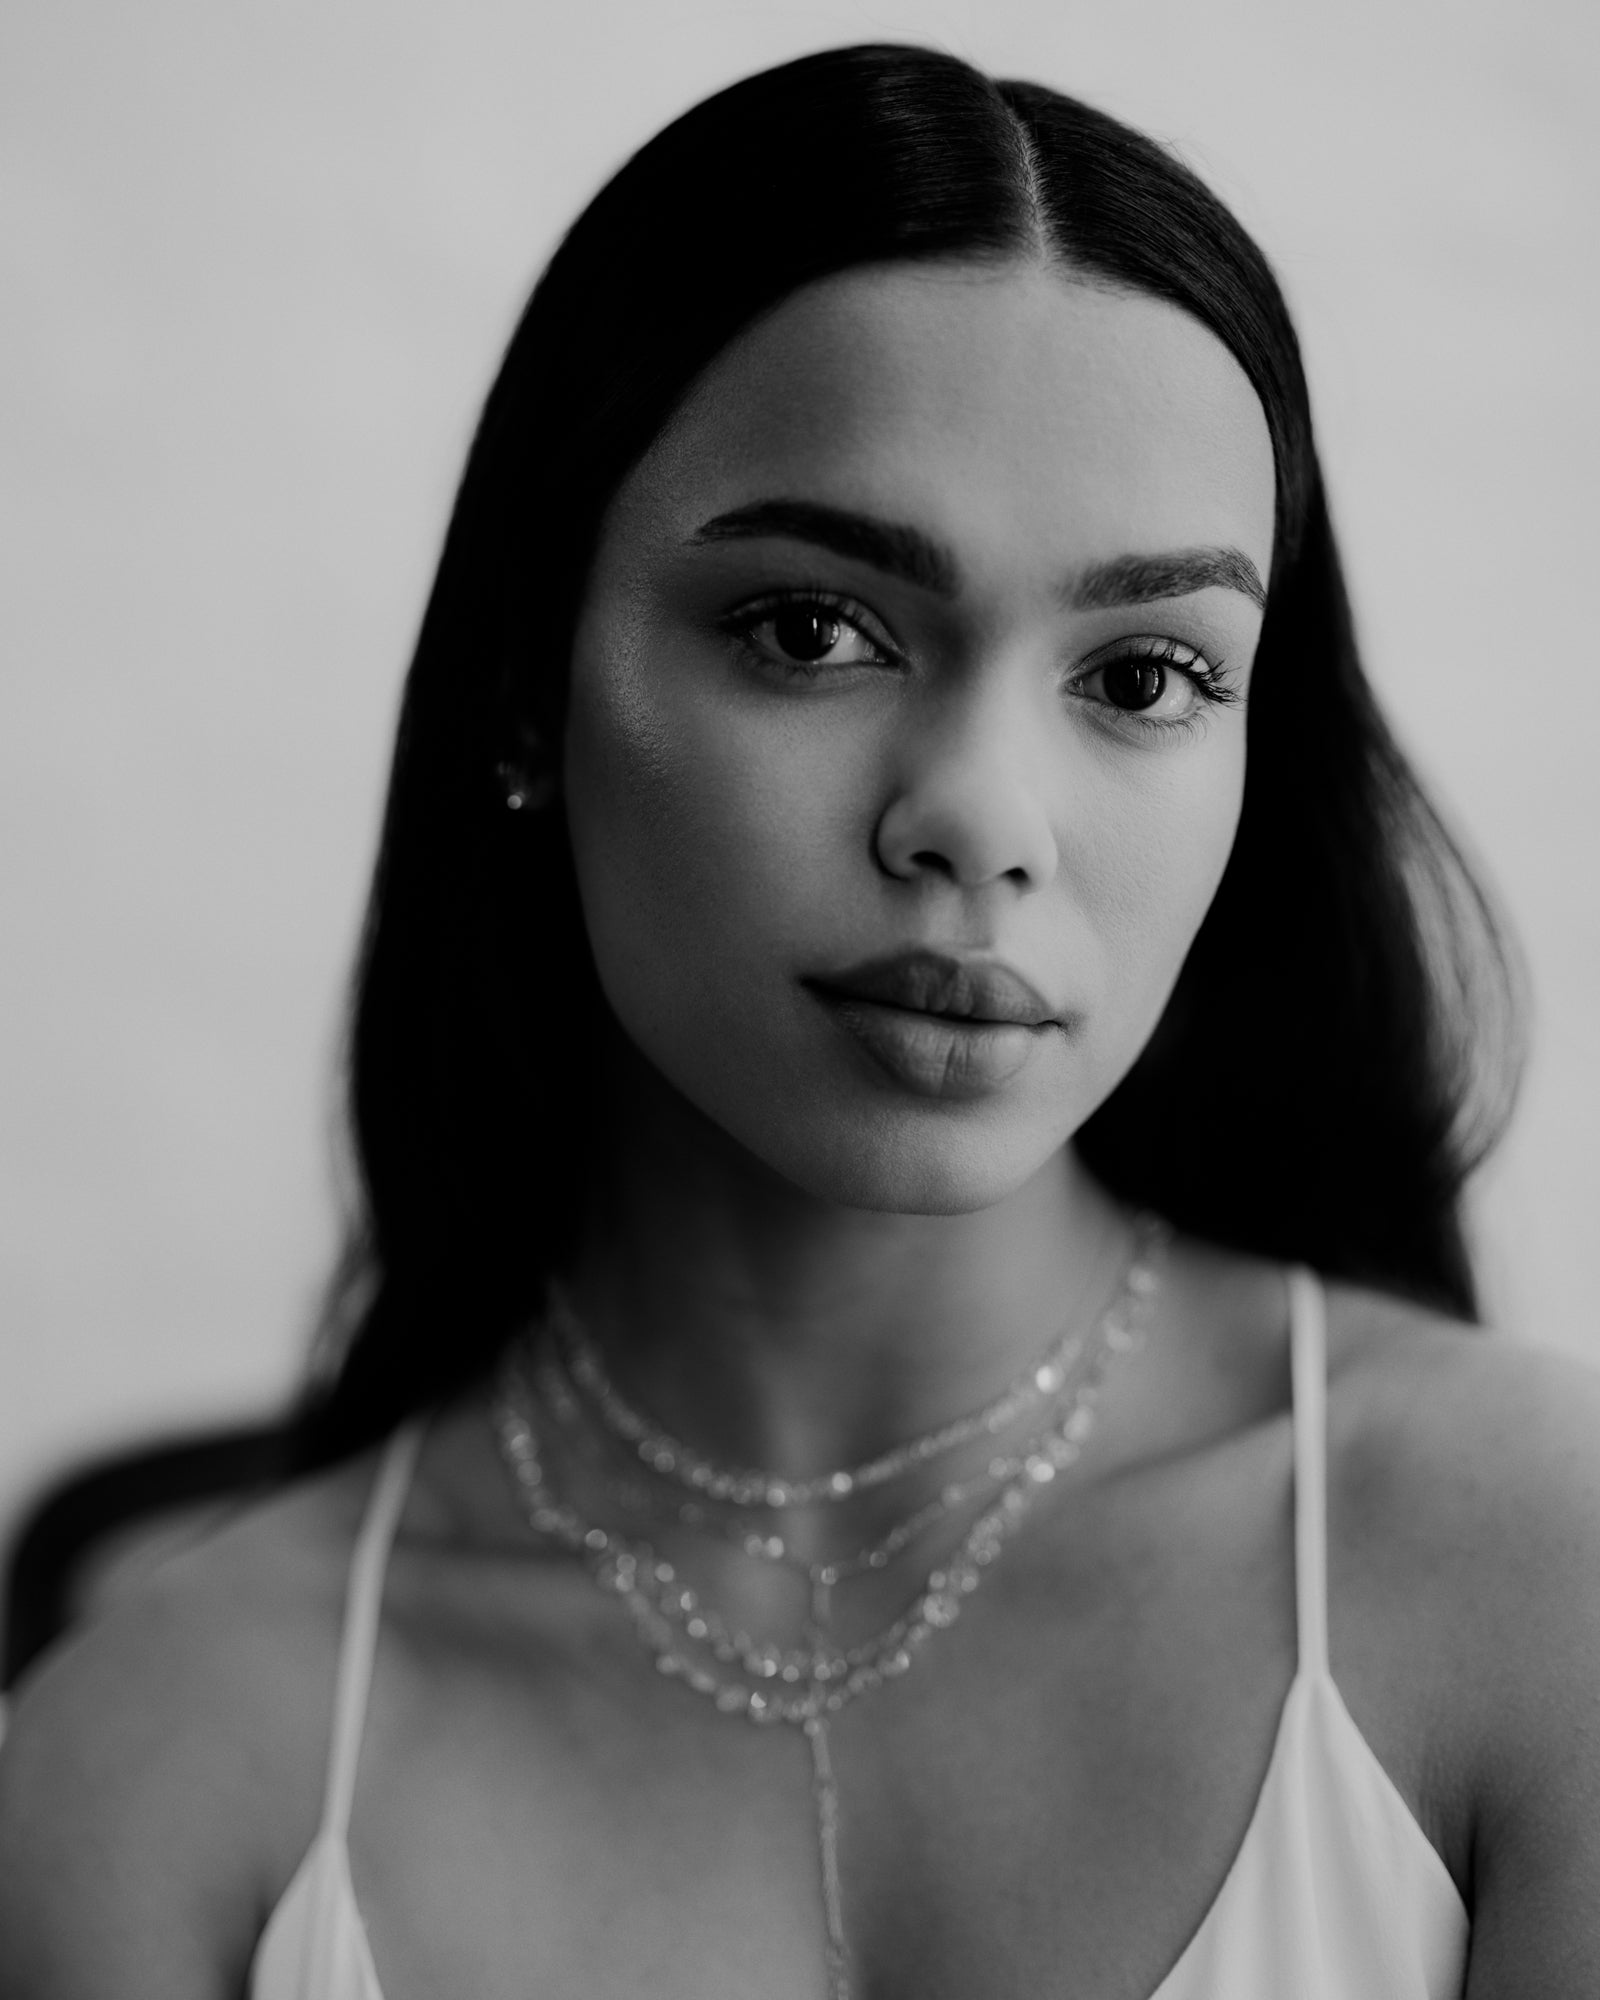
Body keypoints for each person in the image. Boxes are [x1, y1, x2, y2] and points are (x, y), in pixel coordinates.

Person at [1, 41, 1596, 1999]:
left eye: (1148, 669)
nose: (983, 819)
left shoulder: (1534, 1578)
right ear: (523, 677)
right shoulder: (158, 1766)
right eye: (806, 629)